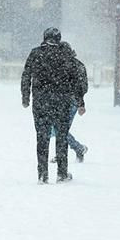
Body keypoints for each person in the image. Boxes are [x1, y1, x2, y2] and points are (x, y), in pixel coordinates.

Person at [21, 28, 85, 184]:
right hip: (61, 103)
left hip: (40, 102)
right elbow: (75, 80)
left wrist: (25, 97)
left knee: (42, 138)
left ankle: (42, 175)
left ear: (44, 38)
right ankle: (62, 173)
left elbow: (26, 76)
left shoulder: (36, 53)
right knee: (61, 138)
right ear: (59, 39)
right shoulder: (65, 55)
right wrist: (80, 102)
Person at [49, 41, 89, 163]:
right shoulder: (78, 65)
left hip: (66, 101)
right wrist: (80, 103)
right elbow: (83, 88)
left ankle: (77, 148)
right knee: (60, 129)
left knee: (59, 129)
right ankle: (68, 151)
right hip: (71, 102)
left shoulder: (60, 66)